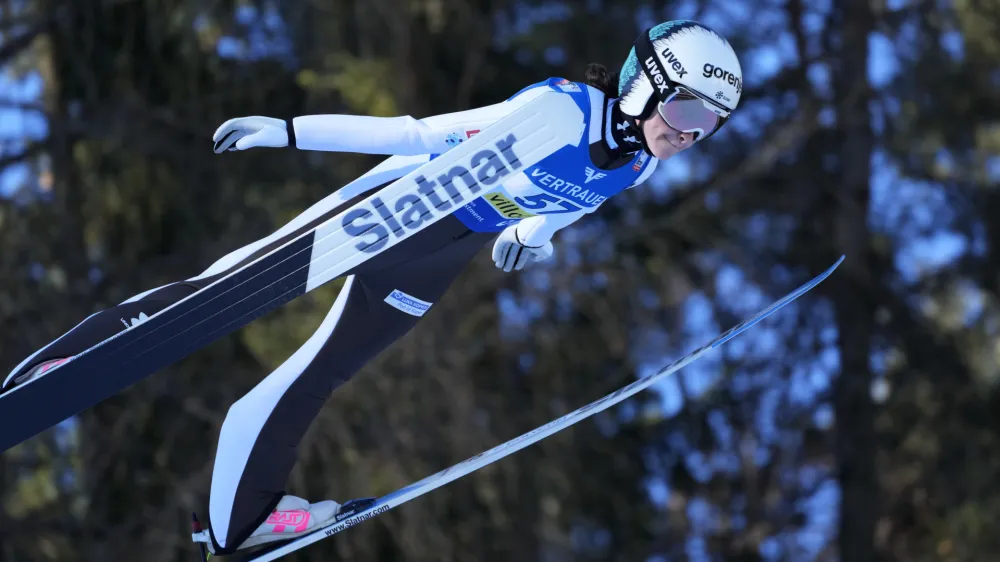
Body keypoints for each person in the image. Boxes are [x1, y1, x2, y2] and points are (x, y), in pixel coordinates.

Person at [2, 20, 742, 555]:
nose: (689, 132)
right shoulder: (558, 112)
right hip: (398, 210)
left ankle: (239, 521)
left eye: (708, 125)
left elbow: (564, 208)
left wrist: (529, 239)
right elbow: (419, 134)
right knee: (220, 289)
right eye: (684, 110)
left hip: (439, 257)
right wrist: (288, 131)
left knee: (322, 372)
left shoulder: (635, 166)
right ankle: (55, 368)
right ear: (644, 84)